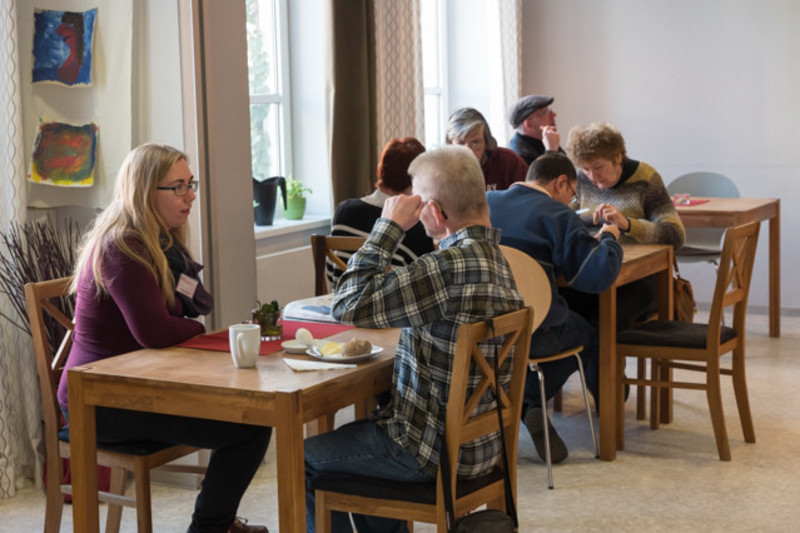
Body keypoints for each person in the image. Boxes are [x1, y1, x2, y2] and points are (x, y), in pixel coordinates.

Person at [304, 145, 524, 533]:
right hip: (484, 448)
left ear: (435, 212)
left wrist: (386, 228)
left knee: (302, 457)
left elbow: (349, 303)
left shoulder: (445, 268)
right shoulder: (497, 260)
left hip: (427, 451)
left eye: (418, 203)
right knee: (363, 437)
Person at [58, 143, 271, 533]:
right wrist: (195, 328)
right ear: (144, 191)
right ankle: (211, 527)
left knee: (248, 419)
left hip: (136, 384)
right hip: (99, 401)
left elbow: (164, 321)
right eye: (177, 187)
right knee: (249, 426)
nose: (189, 195)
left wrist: (180, 322)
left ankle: (215, 523)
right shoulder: (122, 245)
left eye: (190, 184)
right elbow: (155, 332)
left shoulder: (159, 242)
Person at [487, 153, 623, 463]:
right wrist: (610, 239)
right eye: (572, 194)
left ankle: (521, 401)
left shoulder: (485, 201)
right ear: (560, 182)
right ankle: (532, 400)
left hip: (484, 328)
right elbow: (597, 275)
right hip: (536, 330)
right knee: (589, 334)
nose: (570, 203)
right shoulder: (557, 215)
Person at [564, 121, 686, 330]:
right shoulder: (582, 181)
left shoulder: (645, 179)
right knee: (563, 308)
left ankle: (604, 361)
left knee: (603, 320)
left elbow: (675, 236)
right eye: (585, 169)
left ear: (617, 157)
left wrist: (628, 224)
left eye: (598, 167)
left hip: (641, 276)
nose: (592, 176)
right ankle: (586, 361)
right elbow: (567, 216)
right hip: (596, 269)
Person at [328, 137, 434, 285]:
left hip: (340, 300)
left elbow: (331, 273)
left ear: (380, 170)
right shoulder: (415, 226)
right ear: (417, 179)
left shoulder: (343, 210)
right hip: (388, 305)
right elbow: (425, 282)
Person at [445, 107, 528, 191]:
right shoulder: (441, 170)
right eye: (460, 143)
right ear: (450, 144)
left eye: (475, 143)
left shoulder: (510, 163)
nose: (468, 151)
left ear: (486, 143)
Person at [507, 94, 563, 164]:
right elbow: (547, 174)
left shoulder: (544, 141)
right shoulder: (520, 156)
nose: (554, 114)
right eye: (545, 112)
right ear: (529, 124)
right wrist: (551, 151)